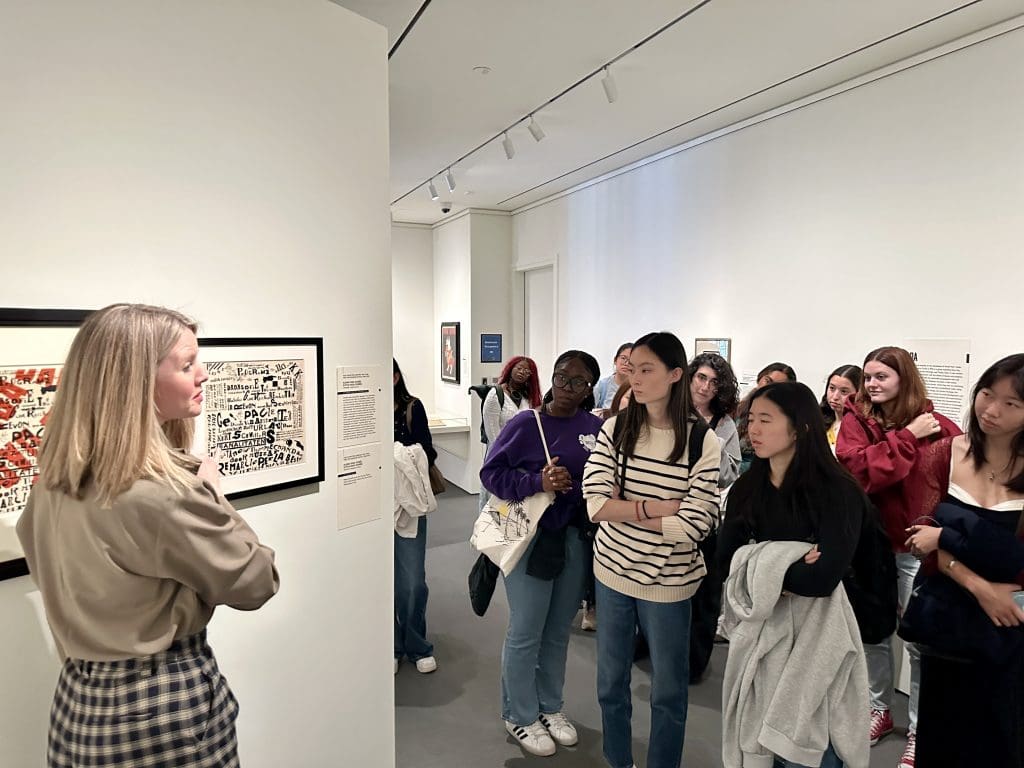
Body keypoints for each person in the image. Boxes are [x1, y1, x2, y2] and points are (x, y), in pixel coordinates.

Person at [15, 304, 279, 768]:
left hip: (81, 703)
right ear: (136, 381)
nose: (203, 375)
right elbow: (257, 581)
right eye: (186, 364)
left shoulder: (54, 482)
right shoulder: (160, 494)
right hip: (161, 707)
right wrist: (213, 494)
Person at [583, 331, 721, 768]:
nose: (635, 378)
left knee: (668, 692)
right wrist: (659, 506)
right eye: (632, 369)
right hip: (612, 573)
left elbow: (697, 522)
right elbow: (595, 505)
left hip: (670, 582)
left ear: (674, 375)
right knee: (610, 684)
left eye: (647, 370)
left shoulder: (702, 441)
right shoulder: (617, 427)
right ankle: (618, 760)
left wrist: (626, 509)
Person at [718, 381, 872, 768]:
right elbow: (724, 562)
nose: (753, 429)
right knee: (762, 738)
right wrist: (791, 561)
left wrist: (758, 562)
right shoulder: (747, 489)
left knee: (812, 744)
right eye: (751, 419)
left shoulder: (837, 491)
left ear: (800, 426)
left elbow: (821, 581)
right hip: (760, 632)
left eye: (765, 420)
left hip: (816, 634)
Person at [836, 346, 960, 766]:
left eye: (881, 376)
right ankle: (879, 709)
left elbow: (956, 485)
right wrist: (906, 439)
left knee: (920, 643)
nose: (871, 383)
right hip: (869, 546)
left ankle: (921, 729)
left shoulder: (940, 427)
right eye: (868, 376)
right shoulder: (856, 421)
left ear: (903, 378)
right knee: (872, 634)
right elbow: (856, 473)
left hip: (916, 551)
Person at [480, 350, 603, 757]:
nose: (567, 388)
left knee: (557, 631)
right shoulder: (526, 423)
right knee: (526, 629)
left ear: (590, 388)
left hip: (575, 539)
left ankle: (550, 707)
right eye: (561, 378)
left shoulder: (594, 427)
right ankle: (519, 714)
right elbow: (491, 473)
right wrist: (538, 480)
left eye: (579, 381)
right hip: (532, 538)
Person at [903, 354, 1024, 766]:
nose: (991, 410)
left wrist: (946, 537)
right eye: (988, 394)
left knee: (1003, 740)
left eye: (1012, 404)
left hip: (1009, 630)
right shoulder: (944, 453)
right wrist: (981, 587)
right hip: (949, 624)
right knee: (943, 738)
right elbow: (920, 538)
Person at [686, 352, 742, 682]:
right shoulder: (668, 413)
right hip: (663, 514)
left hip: (704, 517)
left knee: (704, 593)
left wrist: (712, 451)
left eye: (714, 382)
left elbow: (729, 472)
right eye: (701, 378)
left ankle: (695, 661)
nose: (706, 387)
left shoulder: (724, 424)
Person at [392, 359, 439, 675]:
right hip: (370, 506)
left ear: (395, 376)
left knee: (412, 580)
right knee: (381, 581)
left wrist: (399, 455)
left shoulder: (412, 407)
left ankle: (417, 643)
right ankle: (392, 644)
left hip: (409, 504)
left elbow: (429, 450)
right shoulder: (359, 405)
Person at [479, 356, 542, 511]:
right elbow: (493, 434)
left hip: (524, 458)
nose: (522, 372)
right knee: (494, 501)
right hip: (499, 456)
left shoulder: (530, 397)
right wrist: (505, 456)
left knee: (517, 505)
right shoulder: (496, 395)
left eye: (527, 371)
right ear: (511, 369)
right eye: (519, 368)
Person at [737, 363, 798, 474]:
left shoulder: (785, 420)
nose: (769, 388)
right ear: (759, 378)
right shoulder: (740, 409)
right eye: (768, 381)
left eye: (777, 387)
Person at [820, 365, 862, 453]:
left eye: (844, 391)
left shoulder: (863, 428)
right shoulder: (818, 420)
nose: (835, 397)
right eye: (832, 388)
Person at [593, 343, 634, 417]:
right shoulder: (602, 385)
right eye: (623, 358)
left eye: (631, 360)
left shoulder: (636, 387)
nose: (626, 363)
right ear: (615, 360)